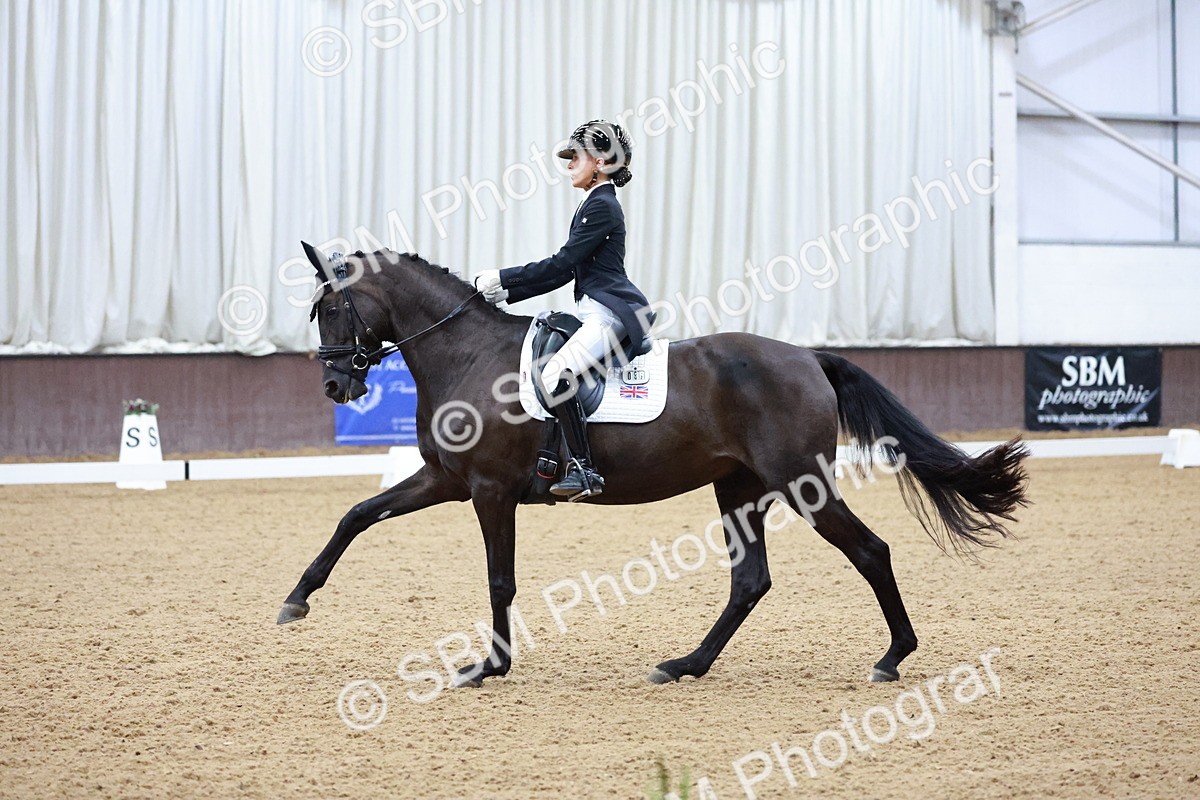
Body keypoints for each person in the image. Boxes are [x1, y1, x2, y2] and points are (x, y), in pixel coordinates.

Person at [474, 119, 651, 501]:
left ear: (602, 162)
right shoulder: (593, 204)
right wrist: (504, 295)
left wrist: (504, 277)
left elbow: (562, 262)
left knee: (557, 372)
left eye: (577, 156)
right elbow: (567, 270)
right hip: (593, 309)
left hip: (610, 312)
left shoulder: (602, 206)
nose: (570, 164)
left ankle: (585, 470)